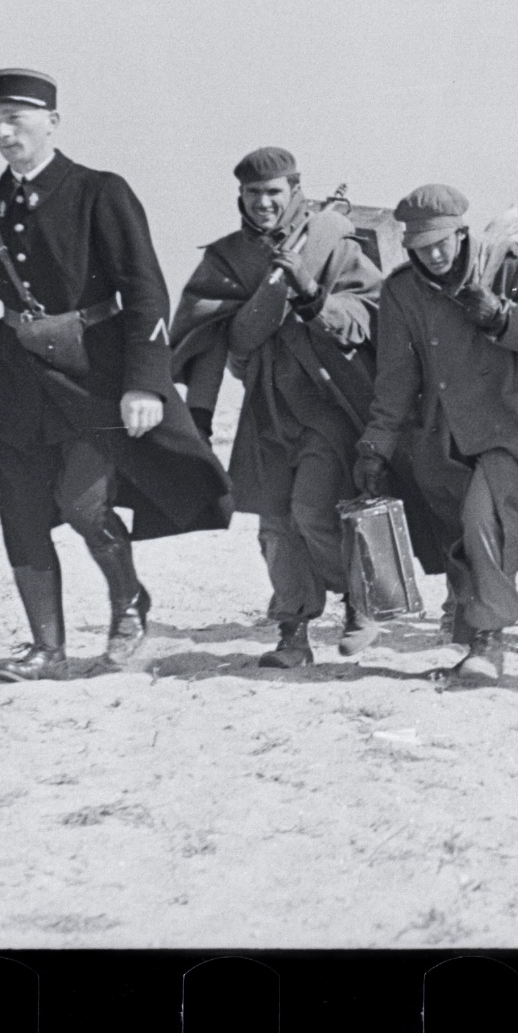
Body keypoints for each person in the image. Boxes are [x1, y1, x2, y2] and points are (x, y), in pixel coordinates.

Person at [0, 69, 231, 681]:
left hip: (95, 376)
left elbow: (144, 289)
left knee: (83, 505)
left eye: (17, 119)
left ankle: (129, 600)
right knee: (21, 509)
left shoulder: (100, 191)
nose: (4, 133)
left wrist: (144, 382)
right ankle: (46, 649)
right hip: (14, 379)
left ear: (52, 122)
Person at [172, 147, 386, 669]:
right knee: (273, 527)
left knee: (313, 511)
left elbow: (369, 312)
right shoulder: (226, 257)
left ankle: (361, 601)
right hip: (264, 408)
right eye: (253, 194)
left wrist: (313, 296)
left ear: (295, 191)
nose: (263, 203)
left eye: (274, 193)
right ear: (239, 196)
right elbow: (204, 330)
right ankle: (293, 632)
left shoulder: (331, 240)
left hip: (326, 403)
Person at [353, 186, 518, 689]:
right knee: (462, 538)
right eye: (421, 245)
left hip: (515, 429)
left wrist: (501, 316)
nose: (433, 254)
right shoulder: (402, 291)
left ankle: (488, 641)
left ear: (462, 231)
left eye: (442, 241)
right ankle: (474, 625)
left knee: (481, 519)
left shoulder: (510, 265)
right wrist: (376, 445)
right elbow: (395, 379)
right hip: (444, 437)